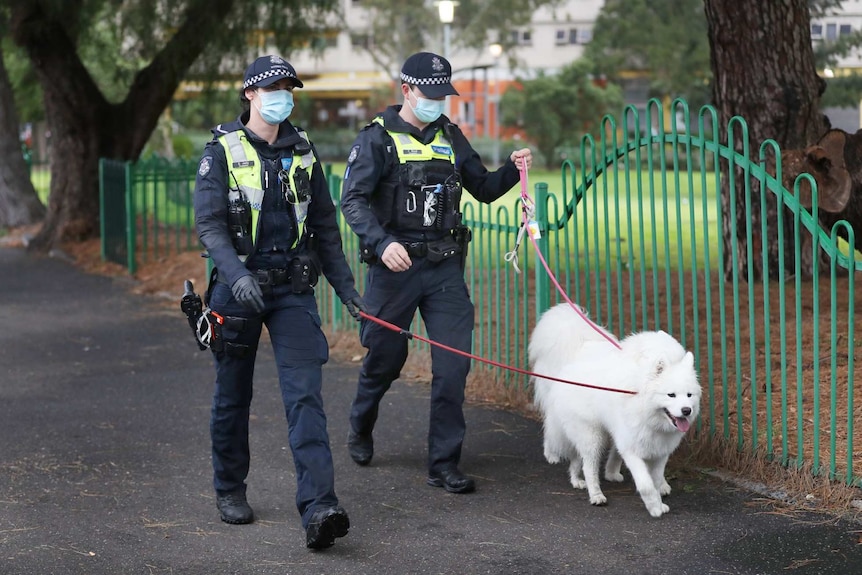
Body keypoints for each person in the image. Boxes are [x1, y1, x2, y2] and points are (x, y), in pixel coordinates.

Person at [193, 54, 365, 550]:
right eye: (273, 87)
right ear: (249, 93)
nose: (282, 96)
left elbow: (326, 229)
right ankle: (229, 489)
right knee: (233, 395)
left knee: (305, 396)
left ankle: (319, 508)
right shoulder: (221, 151)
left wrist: (347, 289)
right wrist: (235, 274)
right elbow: (209, 225)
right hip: (237, 289)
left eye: (289, 88)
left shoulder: (304, 151)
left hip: (292, 291)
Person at [339, 51, 532, 494]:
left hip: (444, 269)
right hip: (395, 271)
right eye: (430, 93)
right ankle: (360, 423)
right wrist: (381, 243)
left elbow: (481, 188)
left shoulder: (450, 136)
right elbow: (353, 201)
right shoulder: (376, 139)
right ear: (406, 90)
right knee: (385, 359)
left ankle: (443, 463)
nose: (438, 102)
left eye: (444, 94)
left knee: (452, 366)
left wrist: (511, 170)